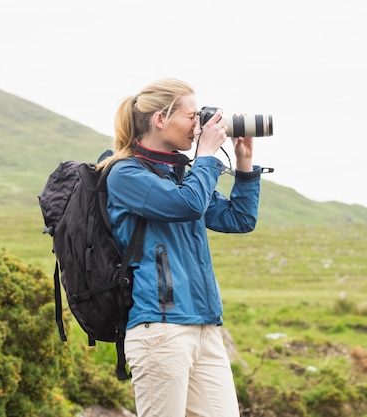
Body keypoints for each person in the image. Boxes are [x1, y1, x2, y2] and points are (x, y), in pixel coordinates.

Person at [97, 78, 262, 417]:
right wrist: (206, 156)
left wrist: (243, 164)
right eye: (192, 116)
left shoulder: (179, 174)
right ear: (160, 120)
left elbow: (238, 218)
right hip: (160, 330)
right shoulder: (126, 174)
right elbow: (185, 205)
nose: (199, 125)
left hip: (205, 327)